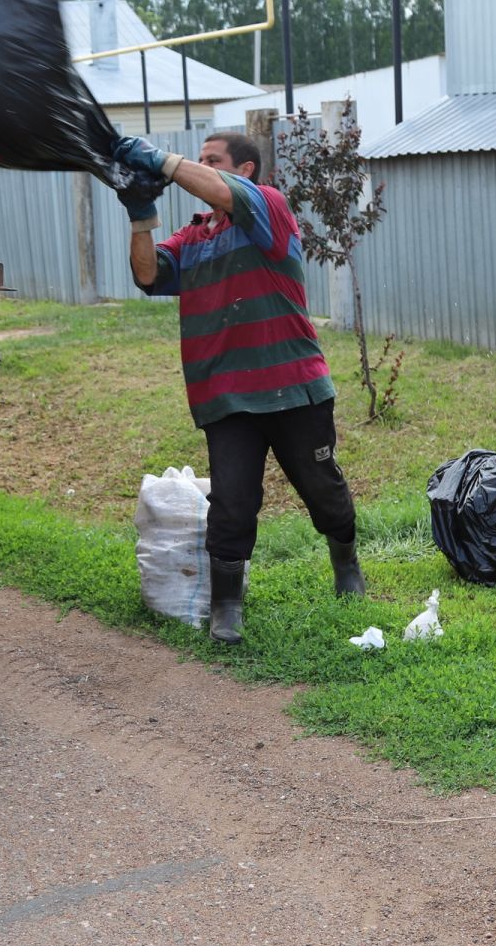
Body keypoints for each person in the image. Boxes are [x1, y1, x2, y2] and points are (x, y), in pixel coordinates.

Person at [114, 131, 363, 645]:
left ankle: (346, 567)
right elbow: (146, 274)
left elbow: (221, 193)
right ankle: (226, 607)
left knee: (323, 490)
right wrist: (141, 215)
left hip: (295, 387)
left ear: (242, 171)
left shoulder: (267, 207)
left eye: (211, 160)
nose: (196, 167)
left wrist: (163, 160)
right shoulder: (194, 236)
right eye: (196, 158)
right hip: (226, 398)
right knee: (232, 502)